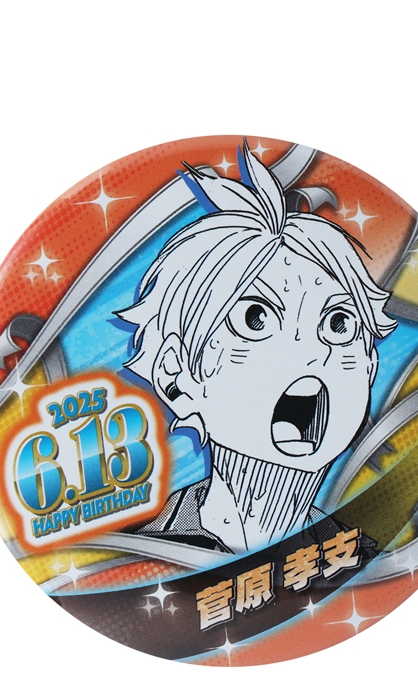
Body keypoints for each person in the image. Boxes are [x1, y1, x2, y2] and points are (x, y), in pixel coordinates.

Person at [117, 142, 396, 555]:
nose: (310, 353)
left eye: (339, 324)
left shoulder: (366, 565)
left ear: (369, 368)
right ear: (176, 376)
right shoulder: (132, 562)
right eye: (255, 318)